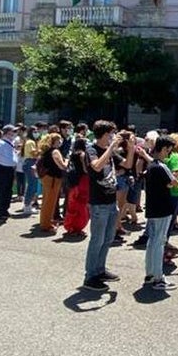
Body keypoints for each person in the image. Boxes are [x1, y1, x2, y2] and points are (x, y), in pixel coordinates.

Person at [82, 121, 122, 292]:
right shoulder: (91, 149)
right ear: (104, 134)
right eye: (111, 134)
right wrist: (111, 147)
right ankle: (90, 276)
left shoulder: (110, 152)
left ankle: (100, 269)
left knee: (107, 239)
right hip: (98, 203)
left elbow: (127, 164)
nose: (113, 136)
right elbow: (96, 166)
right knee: (97, 239)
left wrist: (132, 144)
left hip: (111, 201)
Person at [143, 136, 178, 291]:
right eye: (169, 150)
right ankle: (158, 277)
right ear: (164, 148)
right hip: (162, 208)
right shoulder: (160, 166)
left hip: (153, 208)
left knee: (152, 242)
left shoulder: (153, 165)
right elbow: (174, 182)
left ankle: (151, 274)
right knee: (159, 242)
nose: (169, 153)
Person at [36, 132, 67, 233]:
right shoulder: (55, 151)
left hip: (47, 178)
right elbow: (62, 165)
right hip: (53, 179)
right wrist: (67, 161)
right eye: (59, 140)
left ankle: (46, 221)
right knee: (50, 202)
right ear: (55, 141)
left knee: (46, 200)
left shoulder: (47, 151)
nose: (60, 142)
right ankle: (46, 225)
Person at [62, 138, 91, 238]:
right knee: (82, 205)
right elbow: (85, 169)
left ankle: (71, 227)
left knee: (73, 204)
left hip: (73, 182)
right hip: (83, 180)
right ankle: (77, 227)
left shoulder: (72, 154)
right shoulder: (83, 154)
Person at [0, 125, 18, 223]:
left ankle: (4, 211)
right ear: (6, 133)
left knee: (7, 191)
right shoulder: (1, 143)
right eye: (12, 131)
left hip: (9, 169)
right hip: (1, 169)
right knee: (0, 192)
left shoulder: (10, 143)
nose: (14, 134)